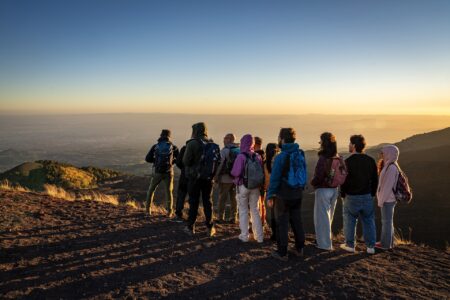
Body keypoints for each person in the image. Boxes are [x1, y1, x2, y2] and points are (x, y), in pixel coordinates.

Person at [267, 128, 307, 261]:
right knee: (297, 221)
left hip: (283, 195)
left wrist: (270, 195)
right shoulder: (301, 153)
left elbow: (275, 179)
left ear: (282, 139)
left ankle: (282, 253)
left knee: (282, 223)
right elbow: (304, 171)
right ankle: (299, 249)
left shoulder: (281, 157)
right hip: (297, 193)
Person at [340, 134, 378, 254]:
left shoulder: (347, 162)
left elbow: (343, 181)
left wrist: (343, 194)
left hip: (351, 196)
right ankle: (371, 247)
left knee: (350, 220)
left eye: (350, 143)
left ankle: (350, 245)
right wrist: (372, 193)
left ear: (354, 145)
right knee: (369, 220)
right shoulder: (371, 161)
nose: (348, 145)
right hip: (367, 196)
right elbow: (375, 180)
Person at [182, 122, 218, 237]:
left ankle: (191, 226)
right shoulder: (212, 144)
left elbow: (186, 161)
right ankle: (210, 227)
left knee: (194, 202)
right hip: (208, 179)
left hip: (194, 178)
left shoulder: (192, 143)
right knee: (208, 201)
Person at [231, 134, 264, 243]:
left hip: (243, 186)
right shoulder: (257, 156)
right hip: (255, 187)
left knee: (243, 210)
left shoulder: (241, 156)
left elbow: (235, 172)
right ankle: (259, 237)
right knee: (255, 210)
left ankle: (244, 236)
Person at [311, 132, 341, 250]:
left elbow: (319, 176)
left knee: (321, 218)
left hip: (323, 189)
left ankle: (324, 244)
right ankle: (325, 241)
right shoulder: (337, 156)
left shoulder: (323, 158)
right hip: (335, 189)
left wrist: (313, 182)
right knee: (329, 217)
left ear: (324, 143)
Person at [144, 129, 179, 217]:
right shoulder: (173, 147)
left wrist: (155, 161)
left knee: (151, 190)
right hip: (169, 172)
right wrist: (172, 163)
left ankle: (148, 210)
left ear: (161, 135)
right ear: (169, 137)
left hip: (157, 172)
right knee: (168, 192)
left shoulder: (156, 146)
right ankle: (169, 212)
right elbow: (178, 160)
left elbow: (147, 159)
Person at [376, 145, 400, 250]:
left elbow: (386, 187)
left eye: (383, 153)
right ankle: (390, 242)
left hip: (387, 199)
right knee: (388, 221)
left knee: (386, 222)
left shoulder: (391, 168)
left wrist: (380, 201)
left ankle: (385, 245)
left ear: (389, 154)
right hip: (389, 199)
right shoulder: (391, 166)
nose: (381, 154)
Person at [215, 133, 238, 223]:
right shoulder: (238, 149)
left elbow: (220, 164)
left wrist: (216, 175)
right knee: (234, 198)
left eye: (225, 138)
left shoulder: (224, 151)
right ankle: (234, 217)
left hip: (225, 178)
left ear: (230, 139)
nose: (223, 140)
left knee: (222, 198)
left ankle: (220, 217)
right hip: (236, 178)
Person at [264, 143, 280, 241]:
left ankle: (274, 234)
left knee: (273, 213)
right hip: (280, 190)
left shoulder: (265, 163)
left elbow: (264, 178)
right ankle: (282, 233)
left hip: (269, 189)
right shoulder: (279, 161)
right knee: (281, 213)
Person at [173, 145, 188, 222]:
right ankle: (192, 216)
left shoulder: (185, 147)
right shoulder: (205, 147)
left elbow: (178, 162)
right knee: (194, 197)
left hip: (184, 176)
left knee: (181, 194)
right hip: (197, 177)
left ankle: (178, 214)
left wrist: (183, 169)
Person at [254, 136, 266, 225]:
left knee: (256, 204)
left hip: (257, 182)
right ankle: (262, 221)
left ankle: (258, 222)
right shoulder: (265, 154)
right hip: (264, 183)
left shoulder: (256, 155)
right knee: (262, 203)